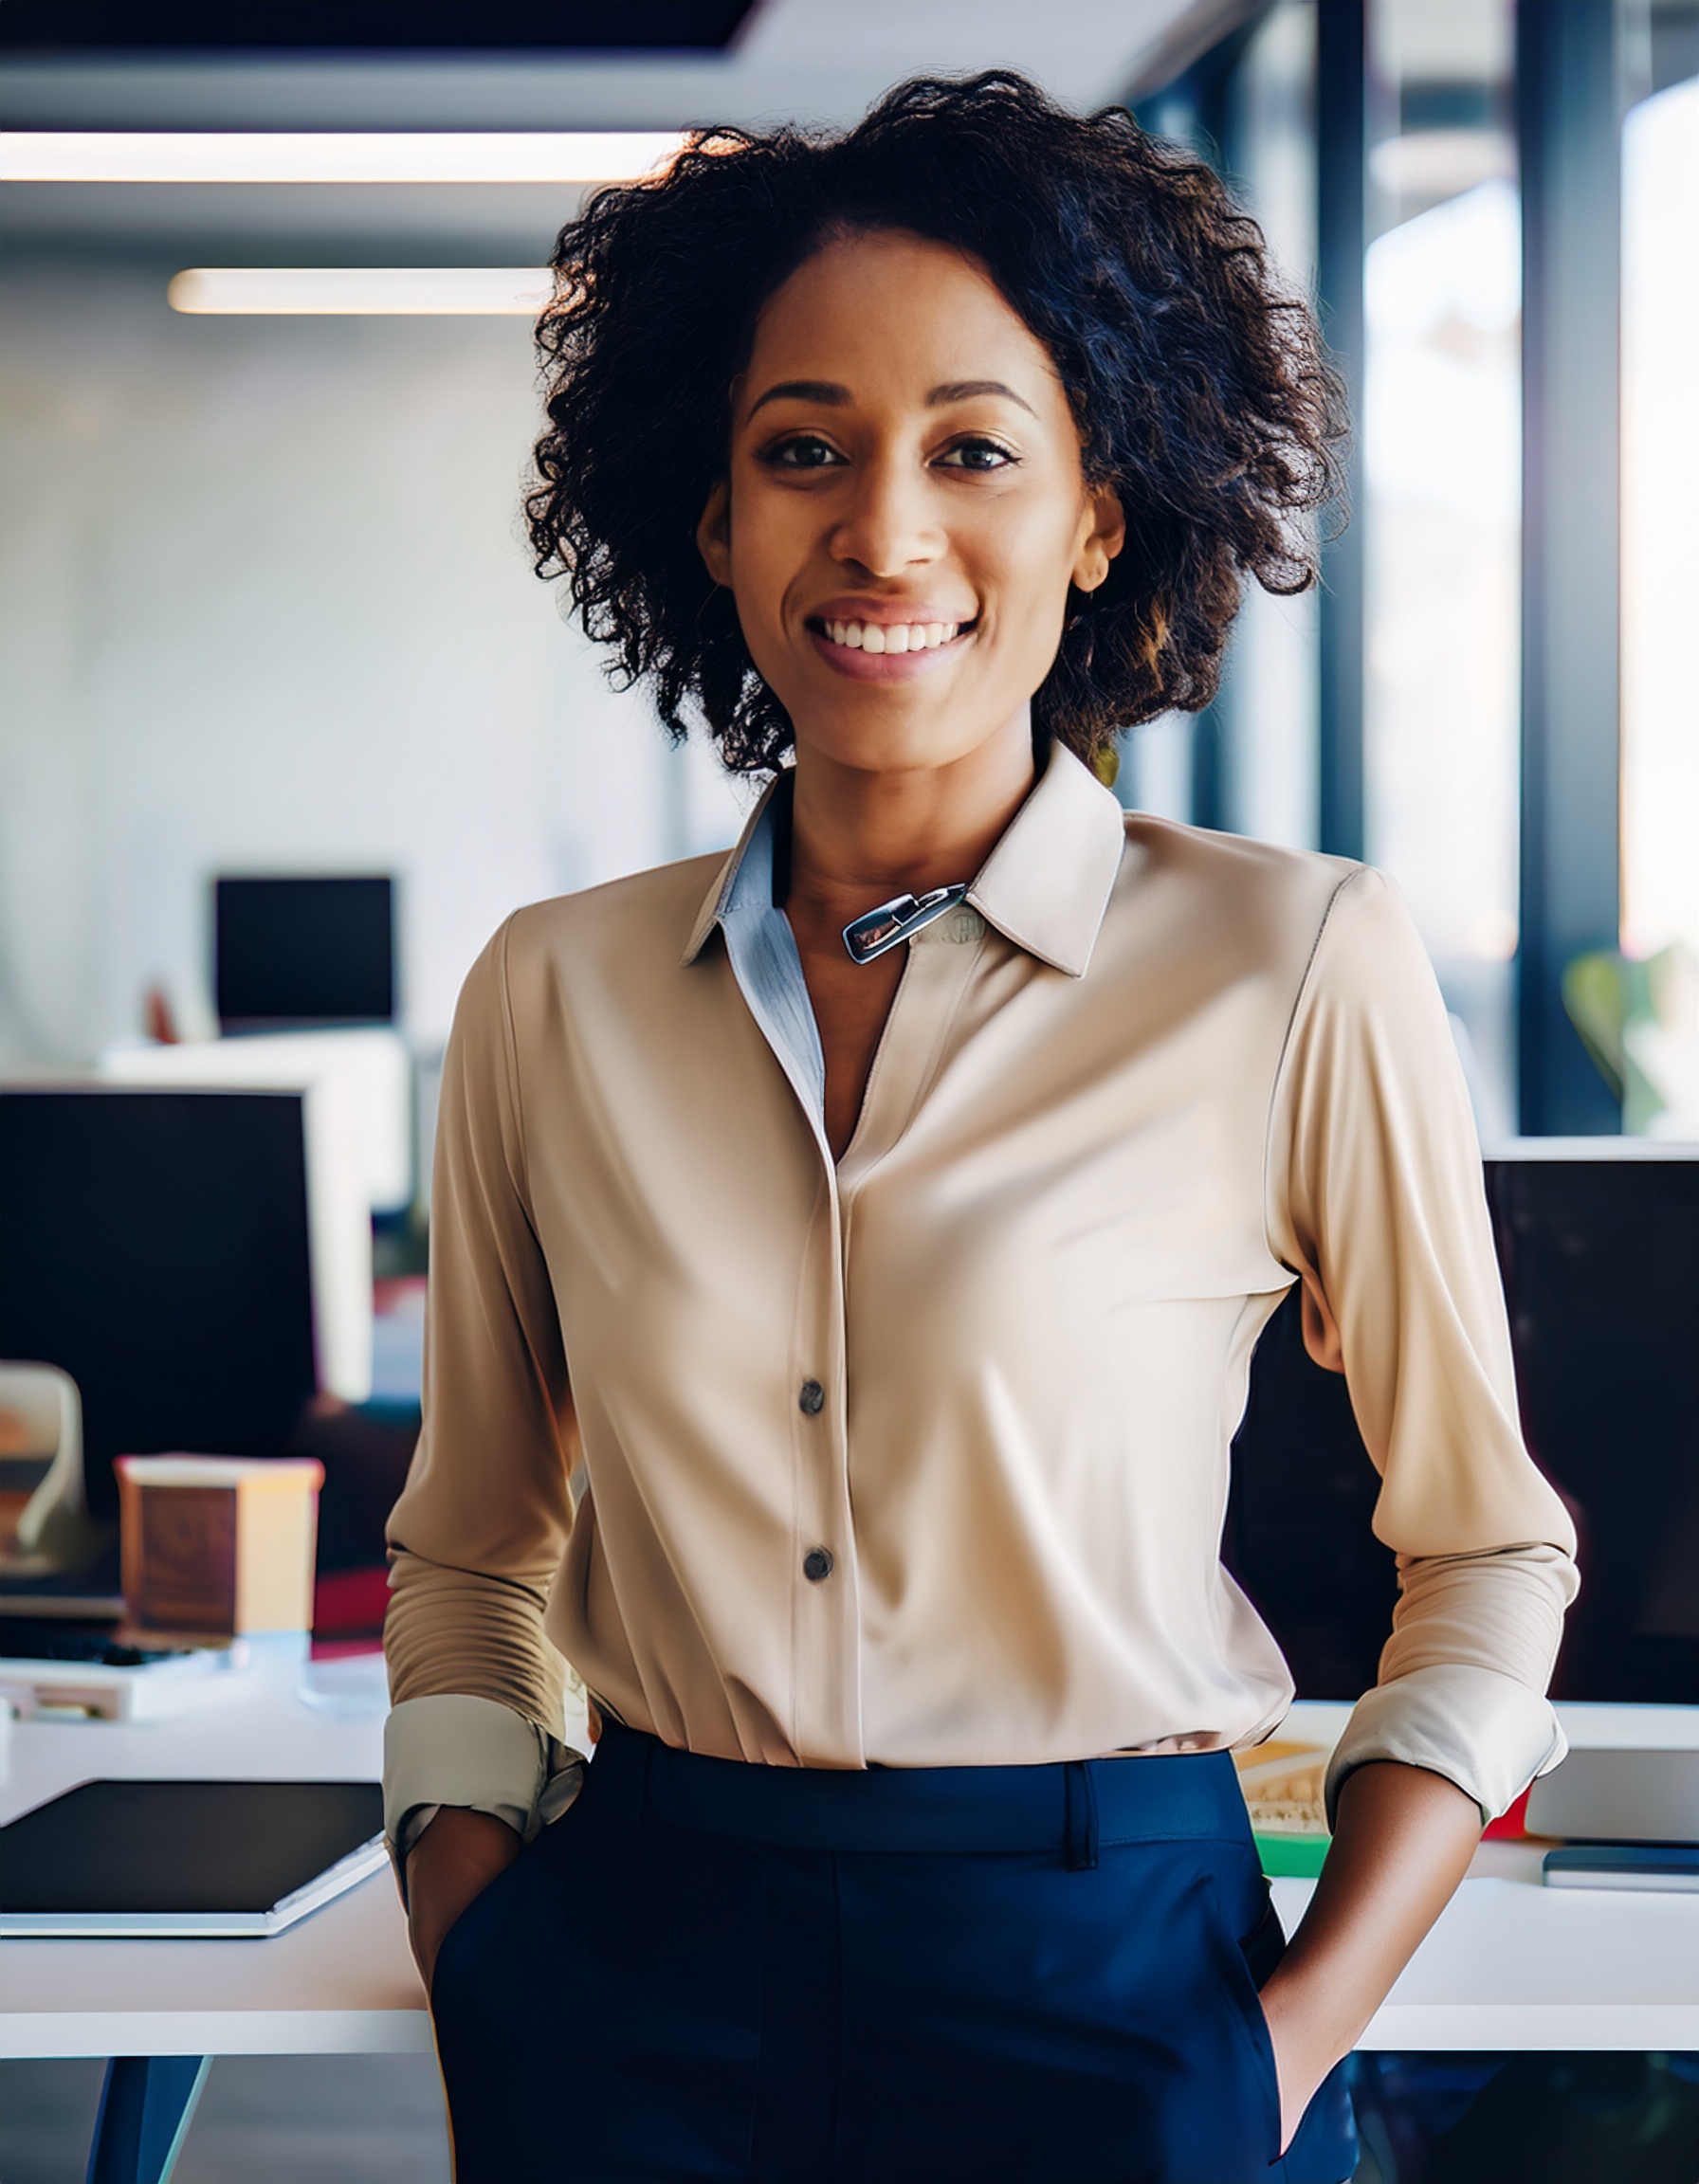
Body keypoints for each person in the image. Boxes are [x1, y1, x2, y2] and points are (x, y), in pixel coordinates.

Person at [382, 73, 1578, 2184]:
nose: (882, 533)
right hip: (631, 1966)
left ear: (1097, 513)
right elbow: (475, 1547)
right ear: (713, 516)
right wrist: (477, 1932)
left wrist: (1290, 2038)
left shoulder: (1288, 963)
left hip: (1104, 1977)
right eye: (801, 453)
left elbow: (1483, 1547)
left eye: (971, 452)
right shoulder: (548, 994)